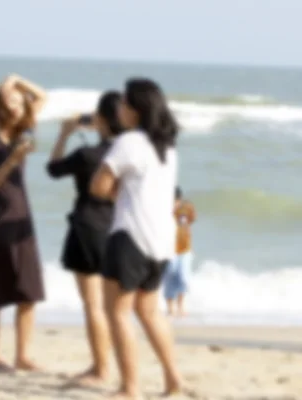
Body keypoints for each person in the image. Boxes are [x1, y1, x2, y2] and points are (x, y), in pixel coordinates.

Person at [90, 78, 183, 399]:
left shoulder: (129, 142)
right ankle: (173, 380)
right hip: (160, 241)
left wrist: (120, 194)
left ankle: (130, 389)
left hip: (130, 236)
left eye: (124, 103)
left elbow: (98, 187)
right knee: (149, 312)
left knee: (117, 312)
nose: (119, 108)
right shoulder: (168, 148)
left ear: (135, 110)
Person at [0, 74, 47, 372]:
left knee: (29, 291)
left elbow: (42, 97)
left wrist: (15, 80)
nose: (17, 106)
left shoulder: (21, 130)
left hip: (21, 221)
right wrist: (12, 161)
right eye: (10, 101)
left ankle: (22, 355)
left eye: (19, 101)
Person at [45, 91, 123, 384]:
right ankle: (111, 367)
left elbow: (52, 169)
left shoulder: (87, 155)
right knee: (116, 307)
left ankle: (100, 368)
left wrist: (65, 133)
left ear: (101, 120)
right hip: (120, 229)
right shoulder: (130, 152)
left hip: (88, 228)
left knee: (93, 304)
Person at [163, 187, 196, 317]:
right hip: (169, 250)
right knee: (170, 275)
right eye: (172, 201)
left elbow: (189, 226)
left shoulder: (186, 208)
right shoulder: (163, 210)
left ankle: (181, 305)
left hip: (185, 250)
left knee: (184, 277)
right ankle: (170, 306)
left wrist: (191, 245)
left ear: (179, 199)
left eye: (176, 201)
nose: (174, 204)